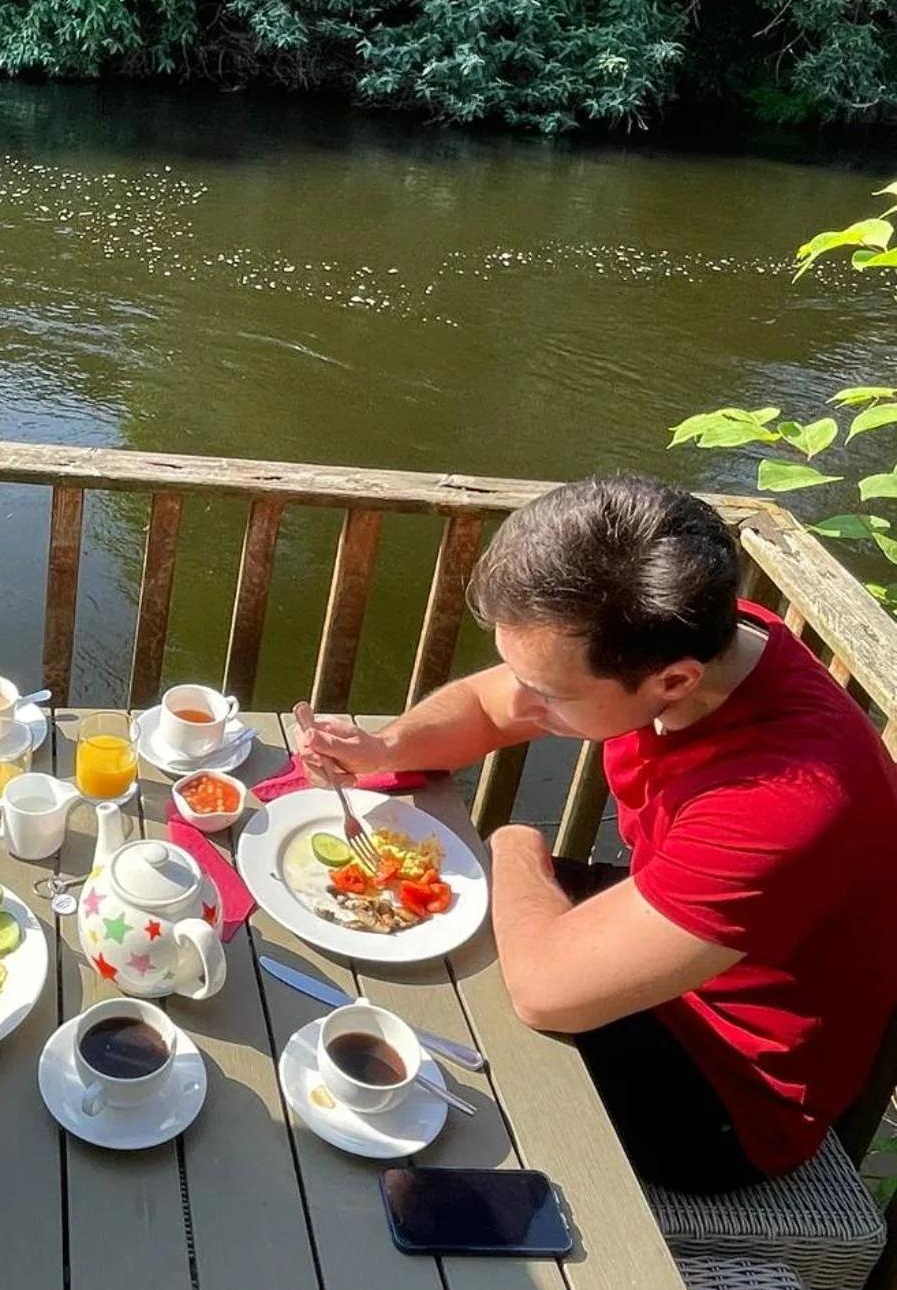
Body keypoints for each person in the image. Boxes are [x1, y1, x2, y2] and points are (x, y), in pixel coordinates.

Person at [297, 474, 897, 1194]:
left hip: (724, 1089)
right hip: (678, 948)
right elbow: (492, 705)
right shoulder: (697, 633)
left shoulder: (783, 800)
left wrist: (514, 845)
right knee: (393, 939)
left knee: (427, 1021)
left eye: (548, 694)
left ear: (672, 684)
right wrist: (387, 749)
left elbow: (546, 990)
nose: (520, 701)